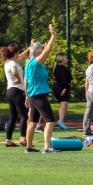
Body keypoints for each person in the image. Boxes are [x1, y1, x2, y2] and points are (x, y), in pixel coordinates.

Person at [25, 24, 60, 153]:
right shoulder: (35, 62)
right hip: (39, 95)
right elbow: (47, 52)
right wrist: (53, 36)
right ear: (39, 52)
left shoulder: (29, 63)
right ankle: (47, 147)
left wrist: (27, 95)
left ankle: (29, 147)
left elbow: (26, 80)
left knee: (33, 122)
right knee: (50, 121)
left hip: (33, 95)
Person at [0, 43, 30, 147]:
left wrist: (28, 48)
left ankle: (8, 141)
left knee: (12, 117)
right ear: (16, 53)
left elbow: (20, 57)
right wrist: (18, 79)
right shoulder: (13, 63)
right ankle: (23, 139)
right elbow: (14, 71)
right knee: (24, 116)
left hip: (10, 91)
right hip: (16, 91)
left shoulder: (8, 62)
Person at [53, 53, 72, 129]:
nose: (67, 60)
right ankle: (61, 121)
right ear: (62, 59)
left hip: (58, 87)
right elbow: (63, 79)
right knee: (64, 104)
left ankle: (61, 121)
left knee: (63, 104)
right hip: (61, 87)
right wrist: (64, 88)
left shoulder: (57, 67)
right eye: (65, 58)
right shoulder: (62, 68)